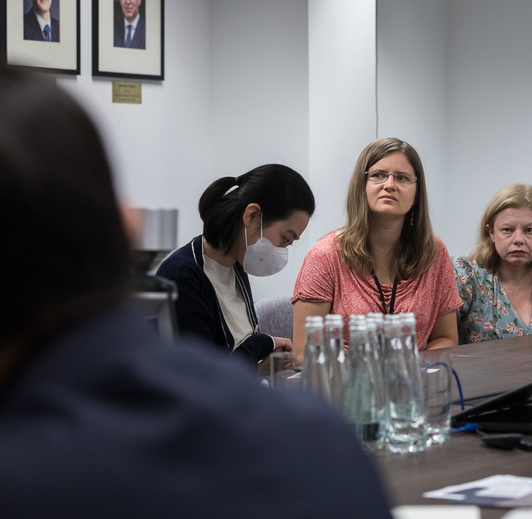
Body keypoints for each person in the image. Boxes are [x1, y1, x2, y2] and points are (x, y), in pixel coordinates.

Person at [0, 67, 393, 518]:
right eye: (287, 236)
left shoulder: (33, 481)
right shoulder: (319, 440)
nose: (287, 249)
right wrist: (262, 346)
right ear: (128, 227)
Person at [292, 137, 461, 363]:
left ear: (417, 193)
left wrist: (406, 371)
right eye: (378, 175)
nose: (389, 185)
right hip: (343, 389)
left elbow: (446, 338)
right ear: (361, 186)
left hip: (411, 385)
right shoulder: (325, 255)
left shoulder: (434, 253)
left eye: (402, 178)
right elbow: (303, 354)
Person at [157, 164, 313, 368]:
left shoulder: (236, 266)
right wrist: (264, 342)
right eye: (285, 238)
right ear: (252, 216)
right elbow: (202, 376)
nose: (284, 249)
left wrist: (261, 368)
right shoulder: (182, 277)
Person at [453, 184, 532, 343]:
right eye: (507, 230)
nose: (518, 239)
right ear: (491, 233)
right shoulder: (467, 279)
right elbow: (444, 344)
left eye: (529, 230)